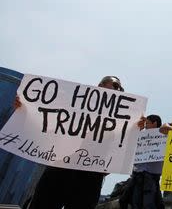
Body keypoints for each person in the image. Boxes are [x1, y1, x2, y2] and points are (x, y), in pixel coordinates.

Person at [25, 76, 144, 209]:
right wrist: (25, 108)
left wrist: (135, 129)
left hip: (91, 175)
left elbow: (120, 146)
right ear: (101, 85)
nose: (119, 89)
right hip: (60, 168)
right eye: (115, 85)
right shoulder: (73, 105)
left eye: (121, 88)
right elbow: (47, 121)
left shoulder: (121, 118)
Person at [120, 115, 165, 209]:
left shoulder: (163, 138)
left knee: (147, 204)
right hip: (137, 175)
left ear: (154, 123)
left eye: (147, 123)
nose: (145, 125)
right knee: (125, 200)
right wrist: (138, 130)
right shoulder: (141, 136)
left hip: (151, 177)